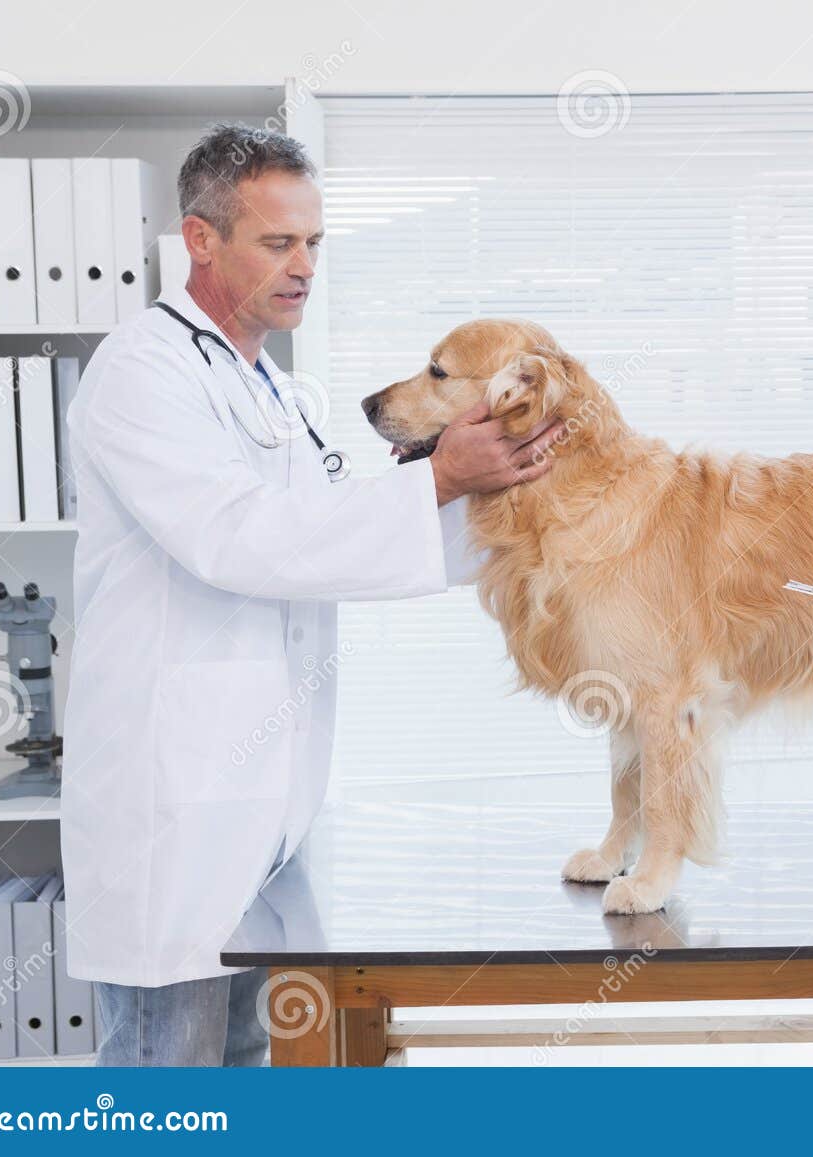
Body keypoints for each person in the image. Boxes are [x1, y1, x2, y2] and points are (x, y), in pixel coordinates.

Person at [60, 123, 565, 1066]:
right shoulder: (142, 370)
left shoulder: (274, 390)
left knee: (246, 1068)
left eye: (315, 242)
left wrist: (516, 488)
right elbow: (238, 537)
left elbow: (337, 538)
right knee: (168, 1086)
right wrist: (442, 478)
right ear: (201, 239)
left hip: (261, 814)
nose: (304, 266)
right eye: (278, 241)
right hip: (174, 807)